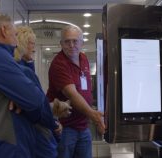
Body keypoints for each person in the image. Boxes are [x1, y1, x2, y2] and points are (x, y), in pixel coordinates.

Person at [0, 13, 58, 158]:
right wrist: (24, 99)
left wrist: (21, 98)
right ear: (4, 30)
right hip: (1, 148)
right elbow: (34, 100)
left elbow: (28, 97)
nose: (17, 42)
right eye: (15, 34)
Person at [46, 25, 106, 158]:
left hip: (83, 126)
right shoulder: (59, 64)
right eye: (67, 41)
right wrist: (94, 116)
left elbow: (86, 89)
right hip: (65, 128)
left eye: (75, 41)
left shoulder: (83, 58)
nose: (71, 45)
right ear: (61, 44)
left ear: (82, 43)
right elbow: (72, 94)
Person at [12, 25, 71, 158]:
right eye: (31, 43)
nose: (34, 47)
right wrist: (53, 123)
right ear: (22, 44)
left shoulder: (24, 67)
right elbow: (35, 106)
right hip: (35, 134)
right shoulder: (22, 70)